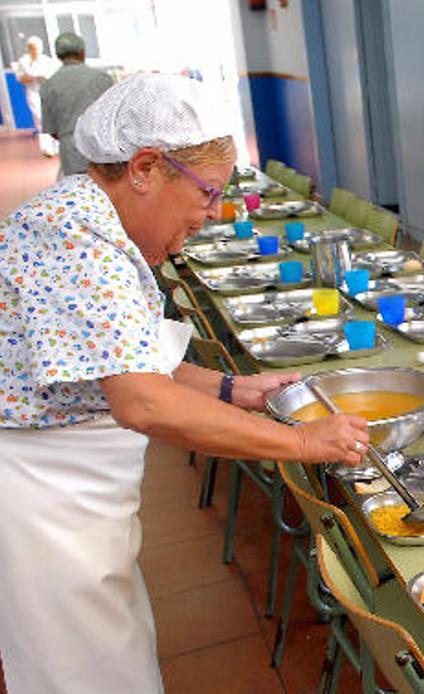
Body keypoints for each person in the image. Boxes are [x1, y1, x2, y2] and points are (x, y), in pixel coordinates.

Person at [0, 73, 371, 693]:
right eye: (207, 194)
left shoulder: (89, 219)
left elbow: (124, 360)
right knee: (83, 673)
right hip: (39, 494)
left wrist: (231, 389)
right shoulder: (77, 238)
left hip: (66, 491)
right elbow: (142, 399)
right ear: (145, 167)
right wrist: (304, 445)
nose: (211, 215)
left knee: (111, 655)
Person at [39, 32, 113, 178]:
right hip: (102, 147)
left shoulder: (49, 85)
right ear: (82, 52)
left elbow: (52, 129)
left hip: (71, 151)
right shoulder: (102, 79)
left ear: (58, 56)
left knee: (78, 194)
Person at [13, 35, 59, 156]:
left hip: (48, 92)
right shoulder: (23, 61)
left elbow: (54, 77)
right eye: (32, 47)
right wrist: (35, 78)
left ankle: (56, 146)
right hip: (33, 92)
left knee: (53, 119)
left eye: (37, 47)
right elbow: (20, 78)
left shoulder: (47, 61)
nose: (35, 50)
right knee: (40, 119)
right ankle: (46, 148)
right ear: (28, 48)